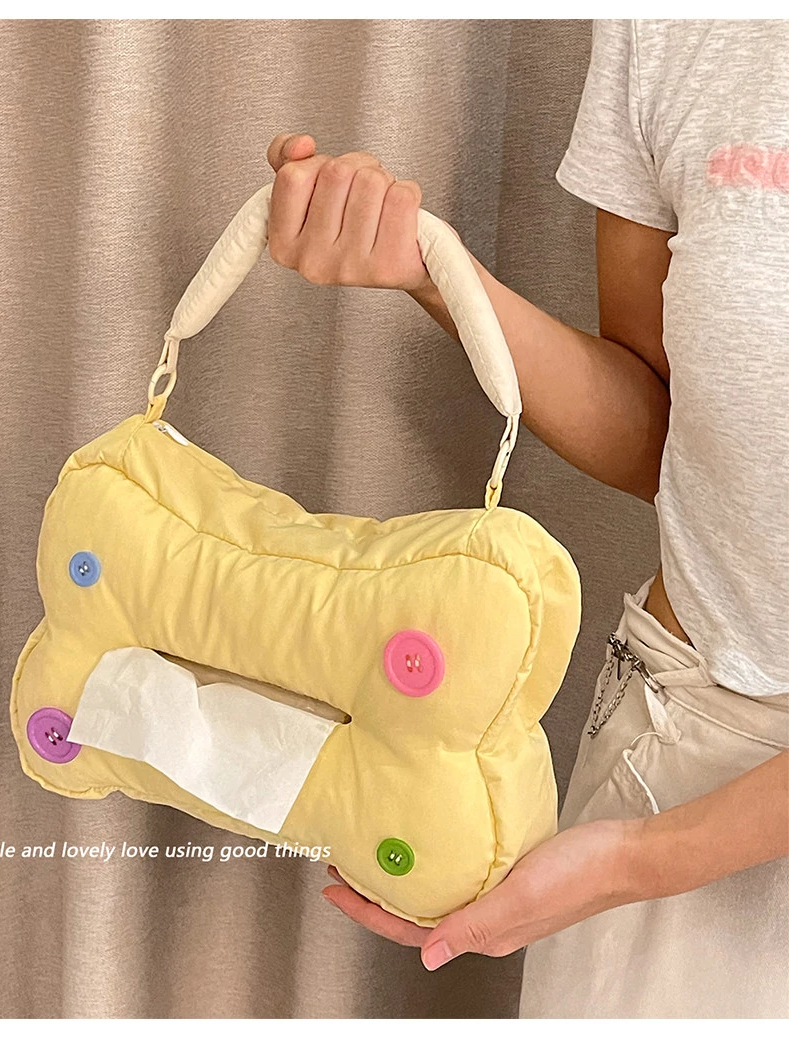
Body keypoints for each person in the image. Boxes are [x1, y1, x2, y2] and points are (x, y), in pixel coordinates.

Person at [265, 19, 788, 1019]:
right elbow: (663, 431)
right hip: (683, 739)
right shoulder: (670, 29)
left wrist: (635, 861)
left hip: (651, 846)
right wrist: (435, 273)